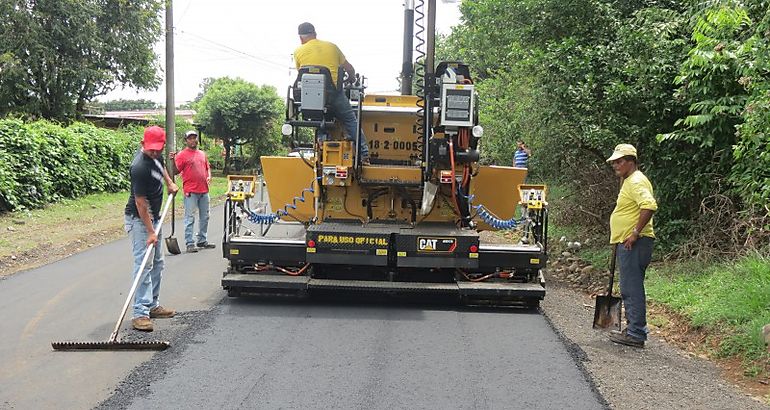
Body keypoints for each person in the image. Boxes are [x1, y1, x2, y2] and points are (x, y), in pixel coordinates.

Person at [124, 126, 179, 332]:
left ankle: (152, 305)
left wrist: (170, 182)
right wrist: (150, 231)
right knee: (144, 265)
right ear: (142, 145)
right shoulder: (139, 167)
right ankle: (140, 313)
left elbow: (162, 166)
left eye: (158, 149)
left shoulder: (157, 157)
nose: (154, 153)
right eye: (150, 150)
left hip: (154, 217)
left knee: (158, 263)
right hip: (139, 220)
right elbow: (140, 204)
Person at [293, 22, 370, 163]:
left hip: (312, 100)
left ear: (301, 38)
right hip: (334, 94)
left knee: (318, 119)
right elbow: (350, 69)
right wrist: (351, 79)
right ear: (315, 34)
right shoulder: (332, 47)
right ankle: (364, 155)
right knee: (351, 120)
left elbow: (302, 75)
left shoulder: (298, 51)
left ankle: (322, 149)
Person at [606, 143, 657, 348]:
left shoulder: (636, 181)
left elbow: (649, 205)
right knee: (629, 285)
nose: (615, 165)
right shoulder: (629, 181)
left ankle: (636, 333)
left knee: (631, 287)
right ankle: (634, 329)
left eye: (619, 161)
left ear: (630, 162)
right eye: (614, 162)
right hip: (627, 242)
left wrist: (634, 233)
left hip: (634, 243)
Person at [170, 130, 215, 253]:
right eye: (190, 138)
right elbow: (175, 171)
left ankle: (202, 239)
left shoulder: (202, 154)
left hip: (204, 190)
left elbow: (207, 167)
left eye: (194, 138)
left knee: (205, 217)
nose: (193, 140)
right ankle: (190, 243)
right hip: (191, 191)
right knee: (190, 218)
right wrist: (172, 161)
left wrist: (209, 176)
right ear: (186, 140)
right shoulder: (182, 155)